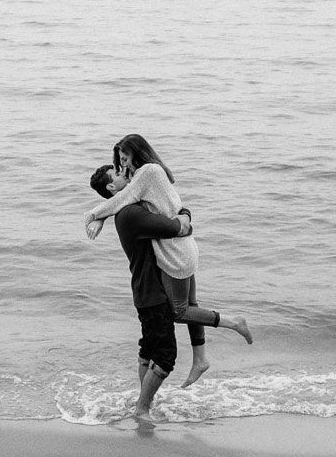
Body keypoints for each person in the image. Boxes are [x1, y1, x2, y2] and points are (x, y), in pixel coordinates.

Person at [88, 134, 254, 399]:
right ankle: (194, 363)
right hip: (177, 257)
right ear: (111, 188)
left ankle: (145, 403)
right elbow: (172, 224)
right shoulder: (132, 210)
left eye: (124, 162)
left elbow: (163, 211)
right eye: (118, 170)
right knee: (168, 331)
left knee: (173, 322)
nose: (124, 170)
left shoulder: (139, 192)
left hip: (172, 262)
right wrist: (184, 220)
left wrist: (101, 216)